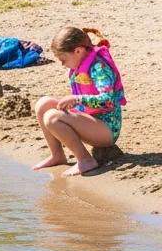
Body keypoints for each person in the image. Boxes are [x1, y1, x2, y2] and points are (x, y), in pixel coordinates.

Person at [33, 26, 126, 176]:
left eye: (63, 59)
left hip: (106, 129)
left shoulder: (98, 67)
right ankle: (57, 155)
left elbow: (107, 100)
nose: (62, 64)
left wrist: (77, 99)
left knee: (52, 117)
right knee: (43, 104)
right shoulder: (80, 64)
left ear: (78, 51)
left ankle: (85, 160)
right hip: (88, 120)